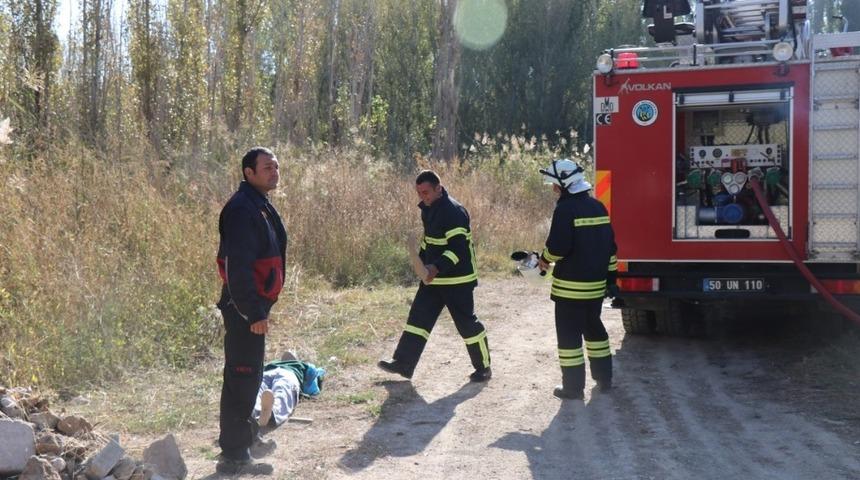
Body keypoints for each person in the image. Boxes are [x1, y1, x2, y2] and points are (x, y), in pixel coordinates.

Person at [378, 170, 492, 382]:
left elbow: (457, 250)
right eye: (419, 193)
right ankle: (403, 364)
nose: (423, 197)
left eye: (426, 192)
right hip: (433, 278)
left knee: (467, 325)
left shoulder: (454, 212)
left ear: (438, 188)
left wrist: (435, 268)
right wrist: (421, 263)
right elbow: (429, 242)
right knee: (418, 319)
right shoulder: (427, 209)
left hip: (458, 280)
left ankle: (484, 368)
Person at [215, 147, 288, 474]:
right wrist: (253, 313)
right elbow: (238, 269)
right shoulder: (242, 209)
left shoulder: (259, 204)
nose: (274, 171)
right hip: (244, 310)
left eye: (276, 166)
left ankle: (247, 439)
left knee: (251, 375)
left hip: (254, 308)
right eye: (267, 167)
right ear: (249, 172)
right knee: (241, 379)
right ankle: (233, 455)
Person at [537, 159, 618, 400]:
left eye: (555, 185)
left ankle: (572, 388)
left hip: (569, 290)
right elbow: (610, 248)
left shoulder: (564, 210)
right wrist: (611, 278)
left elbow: (558, 248)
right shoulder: (598, 207)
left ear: (565, 185)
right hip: (595, 288)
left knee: (569, 338)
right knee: (595, 331)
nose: (553, 190)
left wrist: (543, 259)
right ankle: (604, 378)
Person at [254, 352, 326, 428]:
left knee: (257, 391)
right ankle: (272, 413)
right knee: (282, 393)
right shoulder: (301, 364)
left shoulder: (273, 363)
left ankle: (254, 413)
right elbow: (312, 387)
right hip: (288, 374)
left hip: (267, 372)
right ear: (296, 359)